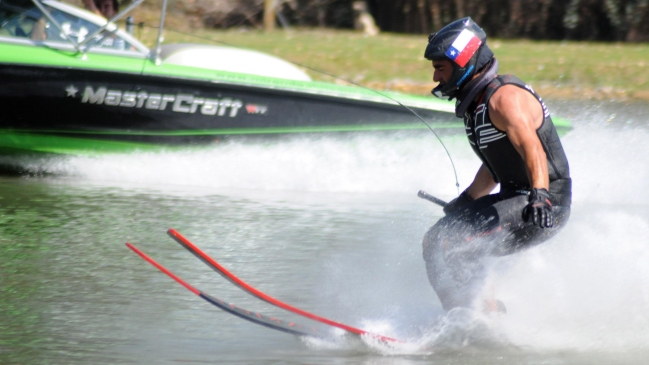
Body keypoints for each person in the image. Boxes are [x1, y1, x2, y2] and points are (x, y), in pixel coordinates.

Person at [421, 17, 572, 313]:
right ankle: (460, 317)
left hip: (543, 205)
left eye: (440, 68)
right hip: (514, 199)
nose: (436, 77)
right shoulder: (477, 105)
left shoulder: (505, 98)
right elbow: (495, 166)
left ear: (462, 62)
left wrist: (540, 197)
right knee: (434, 240)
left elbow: (534, 150)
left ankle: (481, 316)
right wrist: (466, 200)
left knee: (456, 244)